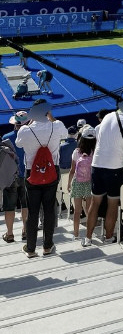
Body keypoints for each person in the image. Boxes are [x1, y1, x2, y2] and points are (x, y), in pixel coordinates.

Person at [15, 100, 68, 258]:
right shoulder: (56, 125)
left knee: (33, 211)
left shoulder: (25, 130)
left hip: (33, 173)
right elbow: (64, 134)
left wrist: (30, 122)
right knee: (49, 209)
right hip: (52, 171)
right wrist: (52, 118)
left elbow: (18, 144)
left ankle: (31, 248)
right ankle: (47, 245)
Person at [82, 98, 123, 247]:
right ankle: (108, 237)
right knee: (113, 204)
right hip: (114, 168)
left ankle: (88, 238)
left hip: (97, 165)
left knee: (95, 202)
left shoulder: (107, 117)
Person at [2, 111, 29, 244]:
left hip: (10, 176)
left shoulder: (6, 137)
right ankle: (25, 230)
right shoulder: (31, 137)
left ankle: (10, 233)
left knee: (9, 206)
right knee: (26, 204)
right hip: (27, 175)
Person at [67, 125, 96, 240]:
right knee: (89, 209)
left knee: (77, 210)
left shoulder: (76, 152)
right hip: (90, 182)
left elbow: (72, 170)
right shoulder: (95, 152)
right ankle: (90, 234)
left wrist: (69, 184)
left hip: (77, 181)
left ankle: (76, 233)